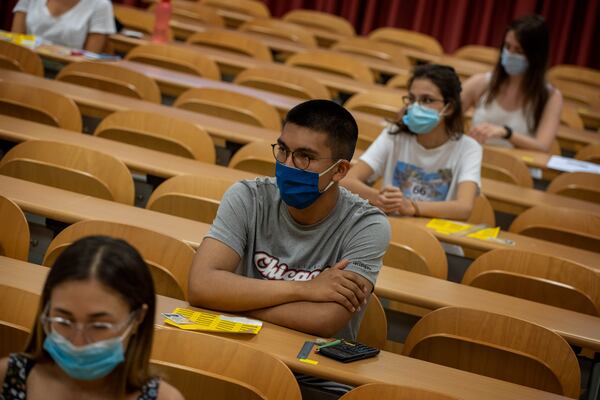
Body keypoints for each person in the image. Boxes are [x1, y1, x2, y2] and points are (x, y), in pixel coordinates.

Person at [188, 99, 390, 340]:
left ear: (340, 170)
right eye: (283, 150)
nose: (287, 164)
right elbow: (201, 286)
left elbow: (325, 320)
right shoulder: (248, 197)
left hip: (310, 371)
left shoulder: (367, 225)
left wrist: (233, 301)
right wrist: (304, 289)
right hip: (237, 346)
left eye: (304, 157)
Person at [0, 236, 183, 400]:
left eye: (99, 326)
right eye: (63, 321)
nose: (77, 343)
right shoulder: (6, 376)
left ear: (137, 318)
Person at [341, 64, 482, 221]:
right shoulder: (394, 134)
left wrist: (411, 206)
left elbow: (464, 208)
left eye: (427, 100)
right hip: (390, 230)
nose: (416, 107)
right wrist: (381, 198)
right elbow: (347, 181)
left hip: (438, 241)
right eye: (412, 99)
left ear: (449, 107)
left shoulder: (468, 147)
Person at [461, 14, 563, 153]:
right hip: (476, 163)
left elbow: (543, 145)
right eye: (507, 47)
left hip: (518, 168)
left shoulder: (551, 96)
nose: (510, 54)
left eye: (519, 50)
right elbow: (448, 113)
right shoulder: (482, 82)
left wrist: (506, 133)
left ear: (536, 56)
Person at [11, 0, 116, 52]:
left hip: (66, 75)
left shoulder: (101, 5)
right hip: (23, 62)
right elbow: (13, 42)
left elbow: (88, 60)